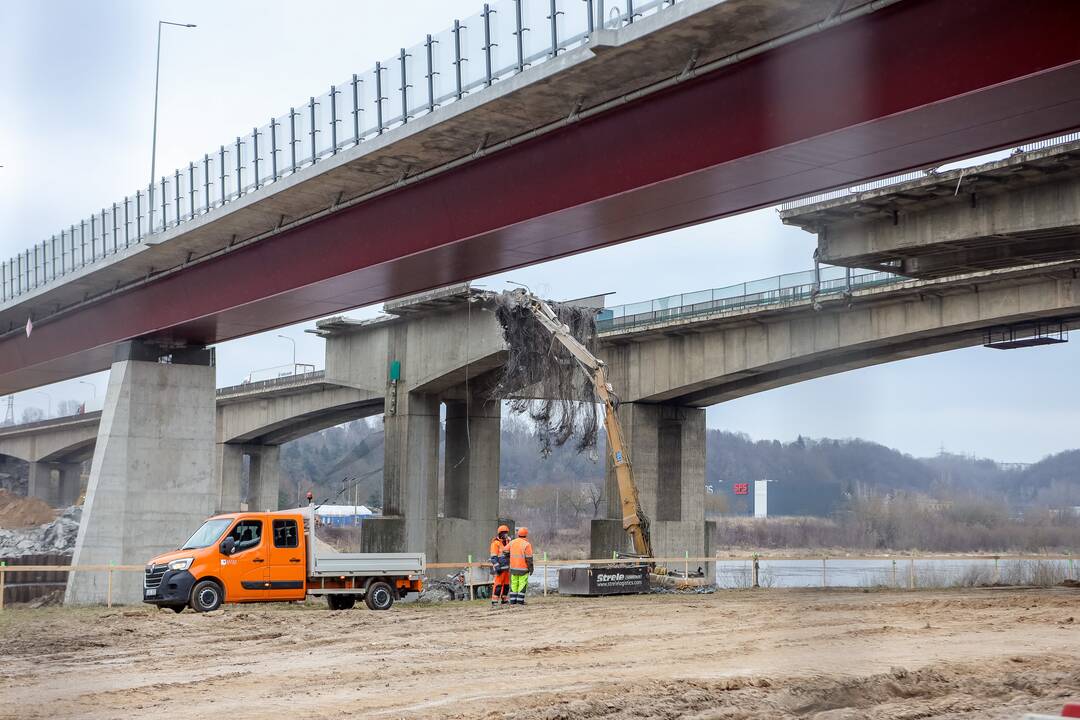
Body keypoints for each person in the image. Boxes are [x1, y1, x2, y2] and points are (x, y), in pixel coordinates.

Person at [506, 527, 534, 606]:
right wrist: (531, 569)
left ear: (518, 534)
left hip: (513, 568)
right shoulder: (527, 544)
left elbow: (505, 550)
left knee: (514, 584)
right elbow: (529, 559)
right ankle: (520, 602)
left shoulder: (512, 542)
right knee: (522, 584)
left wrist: (509, 556)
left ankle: (512, 601)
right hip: (523, 569)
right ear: (526, 535)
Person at [489, 524, 511, 607]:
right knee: (498, 585)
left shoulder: (508, 542)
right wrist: (497, 567)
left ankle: (504, 599)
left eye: (506, 533)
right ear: (500, 533)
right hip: (500, 569)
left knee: (506, 585)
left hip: (507, 568)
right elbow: (493, 557)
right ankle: (494, 601)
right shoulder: (495, 543)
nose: (505, 534)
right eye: (504, 533)